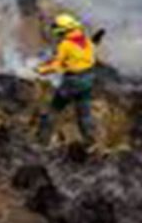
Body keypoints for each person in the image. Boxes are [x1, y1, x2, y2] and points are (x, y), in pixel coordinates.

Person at [35, 14, 96, 146]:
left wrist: (40, 70)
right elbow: (83, 58)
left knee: (54, 109)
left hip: (72, 81)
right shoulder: (86, 41)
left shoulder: (66, 45)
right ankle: (90, 140)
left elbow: (56, 65)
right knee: (84, 113)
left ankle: (42, 140)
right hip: (88, 80)